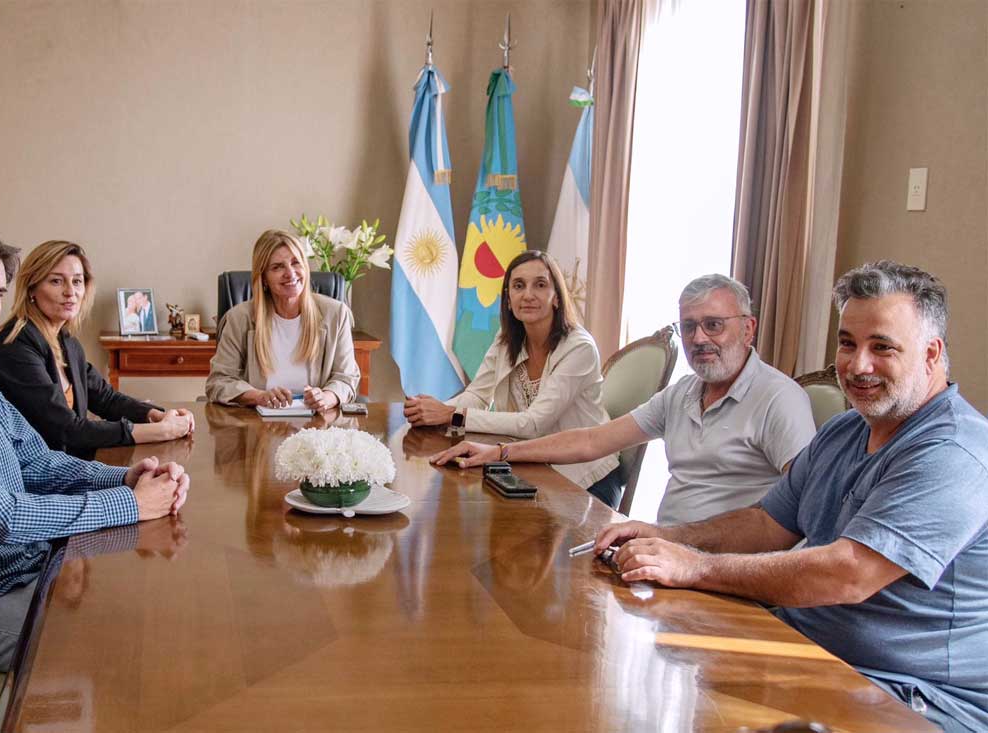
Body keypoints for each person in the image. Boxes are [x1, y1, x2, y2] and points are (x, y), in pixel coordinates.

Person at [591, 262, 988, 732]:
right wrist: (667, 536)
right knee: (628, 688)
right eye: (847, 343)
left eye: (882, 347)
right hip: (805, 651)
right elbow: (767, 524)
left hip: (913, 696)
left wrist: (694, 566)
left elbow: (849, 574)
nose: (858, 365)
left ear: (931, 353)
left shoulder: (954, 452)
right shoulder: (844, 430)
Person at [0, 223, 191, 673]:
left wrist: (123, 477)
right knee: (128, 643)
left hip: (18, 571)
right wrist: (129, 503)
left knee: (156, 611)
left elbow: (34, 458)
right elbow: (4, 517)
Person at [432, 273, 816, 520]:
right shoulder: (683, 393)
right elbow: (591, 440)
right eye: (689, 327)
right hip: (667, 553)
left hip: (720, 569)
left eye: (714, 325)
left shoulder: (779, 399)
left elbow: (803, 510)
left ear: (748, 329)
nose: (699, 339)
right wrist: (498, 452)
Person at [406, 250, 620, 502]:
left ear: (556, 298)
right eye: (518, 286)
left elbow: (533, 424)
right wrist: (433, 412)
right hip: (529, 466)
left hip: (584, 480)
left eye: (540, 285)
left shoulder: (579, 347)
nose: (528, 295)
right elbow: (478, 395)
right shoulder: (506, 339)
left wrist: (452, 415)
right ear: (508, 299)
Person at [0, 240, 194, 460]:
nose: (70, 292)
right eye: (56, 281)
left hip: (67, 468)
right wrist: (160, 431)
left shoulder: (66, 342)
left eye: (77, 281)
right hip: (33, 478)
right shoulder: (15, 347)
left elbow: (106, 398)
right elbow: (67, 430)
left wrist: (157, 415)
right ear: (31, 289)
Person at [206, 229, 360, 410]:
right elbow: (219, 381)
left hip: (317, 428)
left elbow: (346, 377)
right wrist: (260, 397)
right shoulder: (239, 319)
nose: (290, 273)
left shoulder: (336, 314)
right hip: (258, 427)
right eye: (277, 267)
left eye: (296, 263)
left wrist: (326, 397)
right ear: (263, 277)